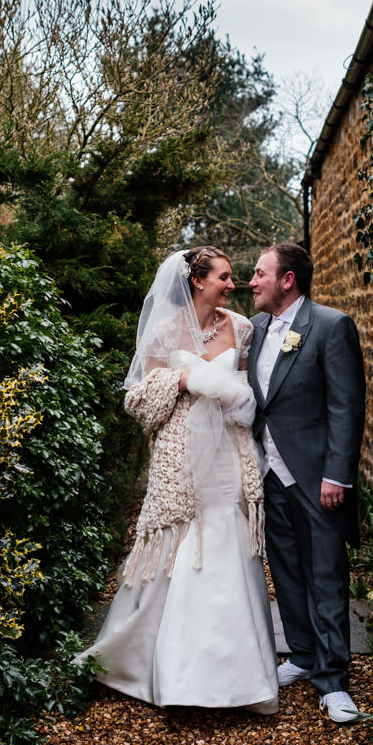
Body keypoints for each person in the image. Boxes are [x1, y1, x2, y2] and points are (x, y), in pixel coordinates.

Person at [79, 246, 279, 714]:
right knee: (184, 548)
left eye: (233, 278)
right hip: (181, 458)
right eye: (225, 277)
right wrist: (183, 383)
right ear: (198, 281)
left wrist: (231, 395)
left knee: (227, 542)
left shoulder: (242, 329)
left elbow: (251, 399)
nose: (234, 285)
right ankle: (177, 674)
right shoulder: (164, 333)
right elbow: (139, 402)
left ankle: (238, 677)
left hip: (228, 457)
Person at [247, 242, 366, 723]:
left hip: (318, 478)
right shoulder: (254, 329)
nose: (251, 282)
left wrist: (338, 473)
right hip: (268, 473)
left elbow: (346, 406)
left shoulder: (332, 326)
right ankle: (300, 654)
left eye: (259, 273)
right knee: (287, 570)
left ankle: (334, 682)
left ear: (287, 279)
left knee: (325, 575)